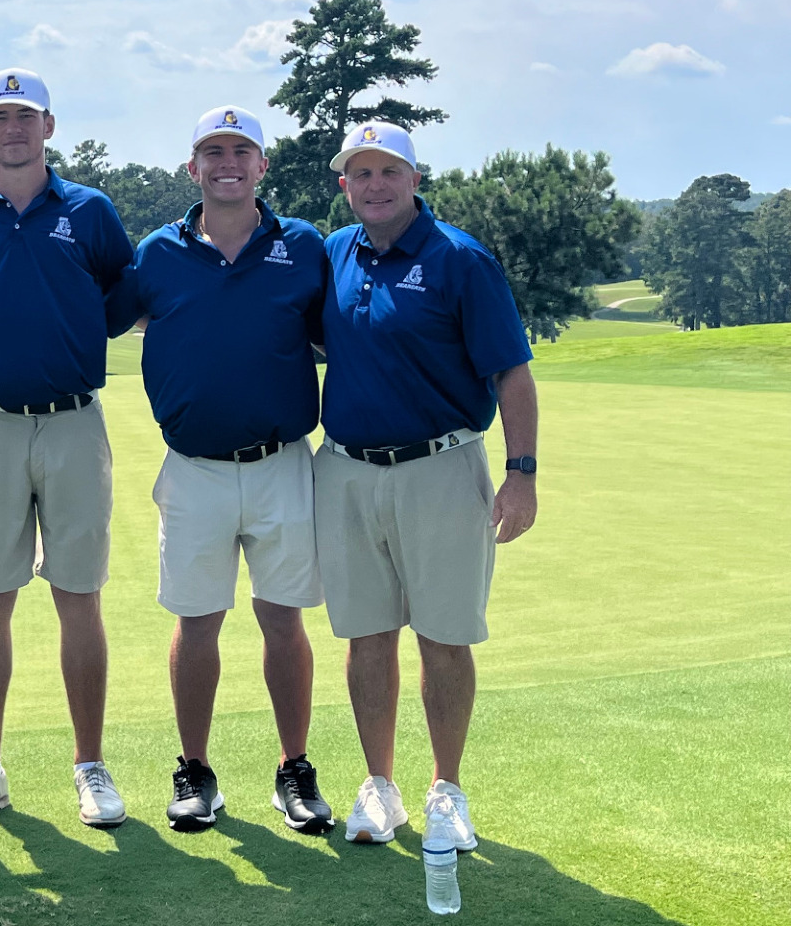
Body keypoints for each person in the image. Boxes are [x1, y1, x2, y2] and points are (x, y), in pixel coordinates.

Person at [105, 106, 334, 833]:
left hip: (281, 464)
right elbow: (99, 315)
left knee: (282, 620)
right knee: (196, 621)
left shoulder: (303, 247)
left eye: (241, 151)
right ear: (192, 167)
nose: (227, 162)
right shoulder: (157, 254)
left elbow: (351, 333)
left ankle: (293, 769)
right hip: (194, 467)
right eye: (212, 151)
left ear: (264, 166)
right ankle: (195, 771)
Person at [314, 122, 538, 849]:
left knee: (444, 636)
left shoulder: (460, 260)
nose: (374, 185)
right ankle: (379, 788)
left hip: (441, 467)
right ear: (344, 185)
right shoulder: (335, 254)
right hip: (346, 469)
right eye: (361, 174)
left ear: (415, 179)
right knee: (367, 635)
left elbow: (511, 371)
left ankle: (447, 789)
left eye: (389, 172)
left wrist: (521, 474)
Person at [0, 69, 134, 829]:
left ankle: (91, 767)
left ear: (49, 127)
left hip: (75, 421)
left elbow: (117, 298)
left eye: (26, 116)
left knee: (79, 595)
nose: (12, 129)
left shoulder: (89, 210)